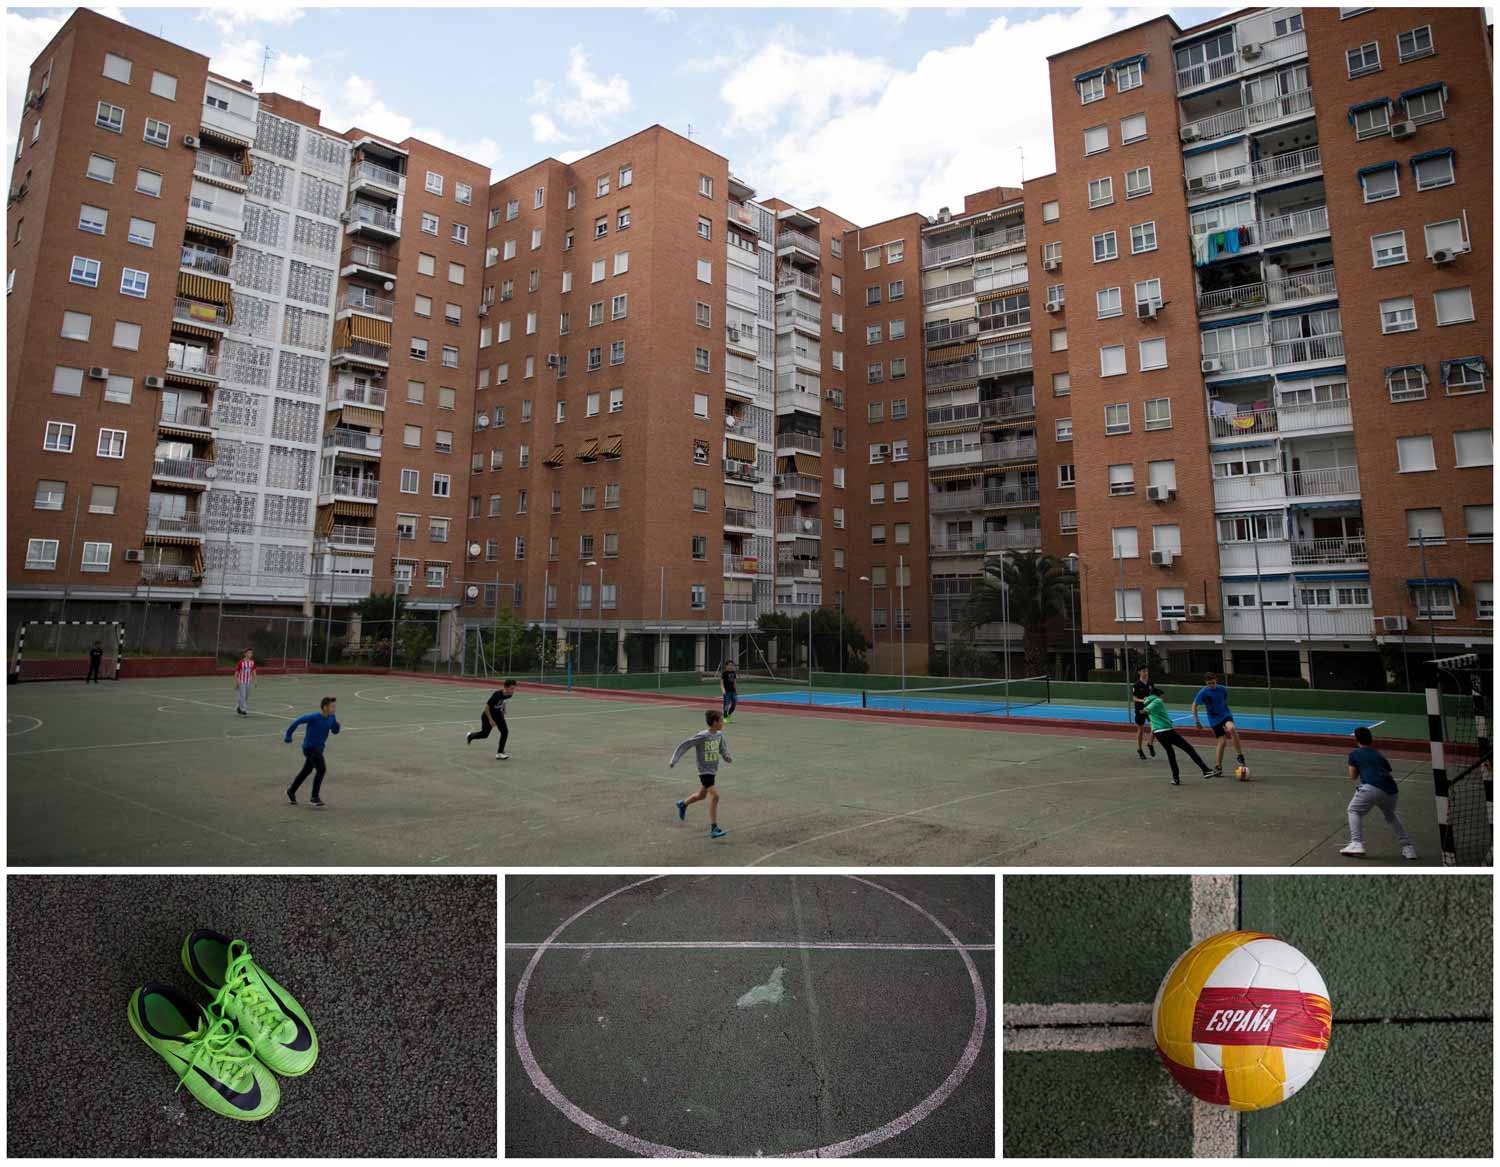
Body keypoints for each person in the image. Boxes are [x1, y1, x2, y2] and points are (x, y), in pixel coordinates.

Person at [1341, 726, 1418, 860]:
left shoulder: (1354, 754)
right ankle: (1408, 848)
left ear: (1356, 739)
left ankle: (1356, 843)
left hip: (1371, 787)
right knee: (1390, 816)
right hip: (1391, 790)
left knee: (1353, 811)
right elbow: (1386, 769)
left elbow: (1353, 775)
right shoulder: (1379, 754)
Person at [671, 709, 732, 839]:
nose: (723, 723)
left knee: (701, 795)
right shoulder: (702, 736)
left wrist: (726, 756)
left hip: (712, 770)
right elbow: (685, 745)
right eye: (721, 720)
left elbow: (722, 748)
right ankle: (714, 828)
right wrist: (674, 760)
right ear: (715, 722)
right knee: (715, 796)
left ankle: (683, 804)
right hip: (704, 771)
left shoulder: (719, 735)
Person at [1141, 690, 1213, 785]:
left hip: (1158, 733)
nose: (1163, 698)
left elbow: (1148, 710)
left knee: (1171, 755)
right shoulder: (1157, 701)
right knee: (1189, 749)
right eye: (1163, 696)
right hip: (1167, 730)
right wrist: (1145, 711)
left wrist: (1145, 710)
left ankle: (1176, 779)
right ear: (1159, 695)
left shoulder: (1147, 701)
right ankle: (1205, 770)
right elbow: (1149, 708)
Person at [285, 697, 340, 807]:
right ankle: (314, 797)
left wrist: (337, 726)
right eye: (332, 706)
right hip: (309, 748)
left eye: (335, 706)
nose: (334, 709)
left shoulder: (332, 717)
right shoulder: (314, 717)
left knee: (306, 770)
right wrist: (288, 735)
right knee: (321, 768)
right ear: (325, 707)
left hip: (319, 749)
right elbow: (297, 721)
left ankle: (291, 791)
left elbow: (334, 731)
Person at [1192, 672, 1247, 778]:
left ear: (1216, 680)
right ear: (1206, 683)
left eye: (1213, 683)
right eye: (1209, 683)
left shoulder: (1222, 689)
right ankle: (1218, 767)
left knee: (1232, 728)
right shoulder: (1203, 692)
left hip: (1225, 714)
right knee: (1222, 742)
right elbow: (1194, 705)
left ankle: (1240, 755)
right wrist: (1197, 721)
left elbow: (1224, 700)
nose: (1211, 685)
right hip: (1213, 719)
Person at [466, 679, 516, 759]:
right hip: (488, 716)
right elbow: (486, 708)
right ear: (506, 688)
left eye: (514, 688)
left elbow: (504, 701)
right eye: (512, 688)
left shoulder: (509, 694)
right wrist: (490, 720)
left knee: (505, 732)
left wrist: (504, 709)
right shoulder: (497, 695)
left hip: (498, 715)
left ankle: (500, 753)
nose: (513, 690)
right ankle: (471, 736)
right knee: (484, 734)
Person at [1131, 666, 1162, 761]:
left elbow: (1154, 695)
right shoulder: (1136, 685)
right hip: (1140, 709)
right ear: (1139, 673)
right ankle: (1139, 749)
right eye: (1144, 671)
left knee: (1155, 727)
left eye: (1147, 671)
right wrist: (1142, 700)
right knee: (1141, 730)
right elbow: (1134, 698)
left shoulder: (1151, 683)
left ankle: (1150, 744)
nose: (1146, 673)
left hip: (1150, 709)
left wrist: (1157, 699)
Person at [233, 648, 256, 715]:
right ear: (245, 654)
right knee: (242, 695)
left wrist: (255, 680)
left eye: (251, 653)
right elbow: (236, 673)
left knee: (246, 696)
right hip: (241, 681)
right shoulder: (241, 662)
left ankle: (239, 707)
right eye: (249, 653)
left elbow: (254, 671)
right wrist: (236, 682)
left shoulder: (252, 662)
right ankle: (244, 709)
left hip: (248, 681)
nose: (250, 654)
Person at [720, 659, 739, 725]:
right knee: (726, 705)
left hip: (733, 691)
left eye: (732, 665)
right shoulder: (724, 673)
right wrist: (723, 690)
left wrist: (736, 690)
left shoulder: (733, 672)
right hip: (727, 692)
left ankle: (729, 715)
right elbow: (721, 683)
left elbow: (734, 682)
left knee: (734, 704)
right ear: (726, 666)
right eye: (729, 665)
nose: (731, 666)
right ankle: (725, 718)